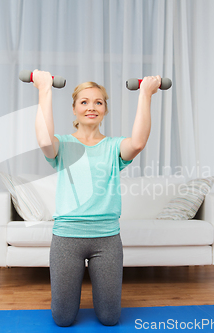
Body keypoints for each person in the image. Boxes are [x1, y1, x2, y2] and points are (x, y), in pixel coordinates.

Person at [33, 69, 161, 326]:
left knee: (110, 318)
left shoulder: (115, 147)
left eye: (98, 102)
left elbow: (137, 143)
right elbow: (45, 139)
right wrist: (44, 89)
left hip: (107, 239)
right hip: (67, 238)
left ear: (105, 110)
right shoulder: (63, 145)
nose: (91, 107)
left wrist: (145, 94)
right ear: (74, 109)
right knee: (63, 319)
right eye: (84, 102)